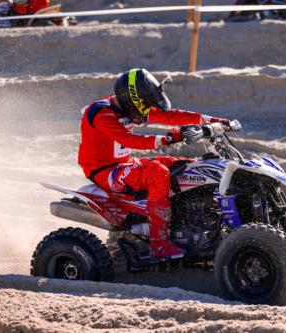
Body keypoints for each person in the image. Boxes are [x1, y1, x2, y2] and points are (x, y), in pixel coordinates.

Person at [78, 68, 231, 258]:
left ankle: (195, 223)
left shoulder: (131, 106)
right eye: (143, 107)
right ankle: (159, 244)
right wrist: (166, 139)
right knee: (158, 173)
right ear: (130, 100)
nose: (146, 112)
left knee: (187, 166)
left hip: (125, 163)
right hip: (104, 171)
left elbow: (172, 116)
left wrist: (215, 121)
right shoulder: (101, 113)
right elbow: (129, 140)